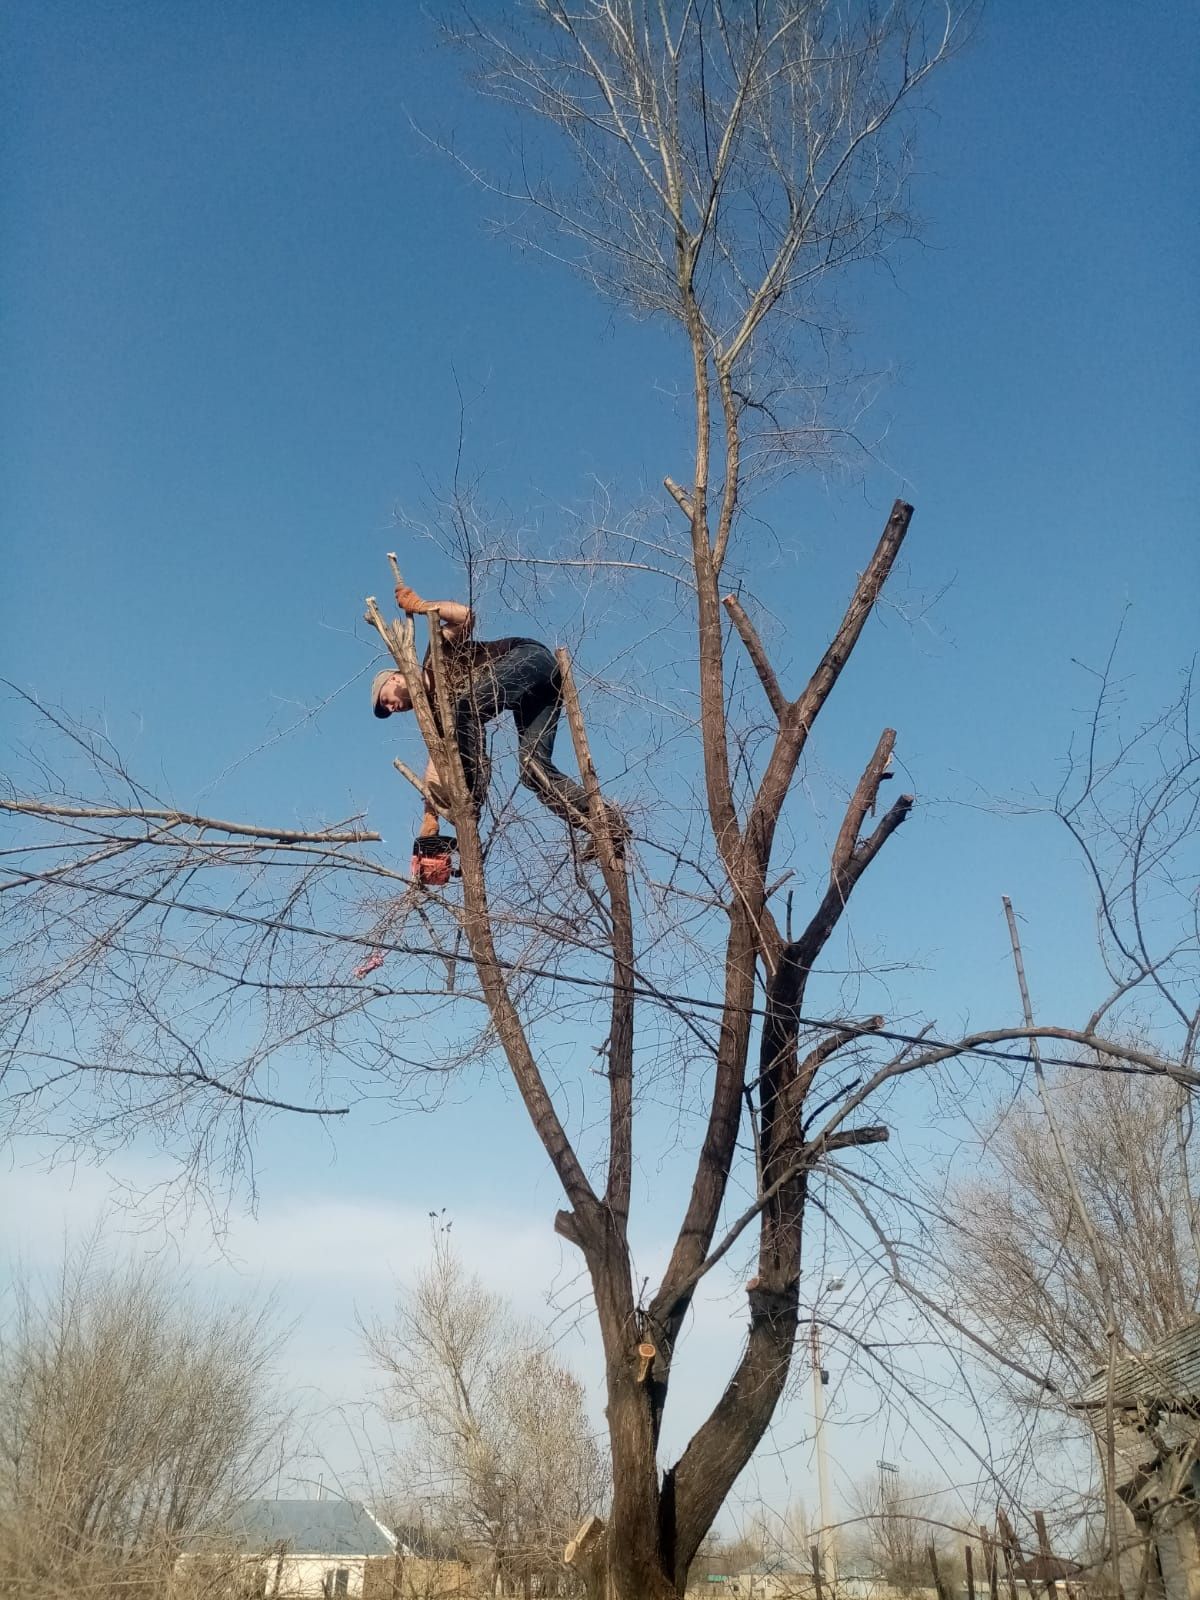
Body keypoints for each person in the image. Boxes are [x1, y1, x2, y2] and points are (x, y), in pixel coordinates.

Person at [371, 582, 627, 867]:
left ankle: (474, 796)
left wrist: (421, 606)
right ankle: (606, 822)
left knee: (466, 707)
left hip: (530, 659)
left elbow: (464, 615)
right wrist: (430, 821)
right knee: (533, 770)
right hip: (536, 695)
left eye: (387, 701)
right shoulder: (437, 716)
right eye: (388, 710)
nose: (393, 708)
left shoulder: (436, 654)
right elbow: (437, 762)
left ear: (395, 678)